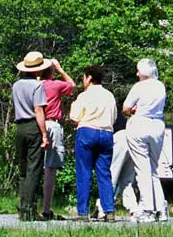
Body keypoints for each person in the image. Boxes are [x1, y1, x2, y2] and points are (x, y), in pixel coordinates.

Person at [69, 65, 116, 221]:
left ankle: (83, 212)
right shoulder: (109, 95)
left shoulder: (84, 96)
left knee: (84, 172)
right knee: (104, 173)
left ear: (89, 78)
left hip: (87, 131)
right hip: (107, 133)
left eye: (84, 77)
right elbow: (114, 117)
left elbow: (74, 118)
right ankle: (109, 210)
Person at [123, 58, 167, 223]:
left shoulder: (139, 86)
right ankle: (161, 208)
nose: (136, 74)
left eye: (138, 71)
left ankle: (147, 208)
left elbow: (126, 108)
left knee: (142, 169)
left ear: (143, 72)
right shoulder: (160, 86)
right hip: (158, 125)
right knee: (153, 168)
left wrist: (133, 109)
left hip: (140, 123)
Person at [12, 51, 51, 221]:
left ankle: (22, 207)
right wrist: (44, 134)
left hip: (19, 127)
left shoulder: (16, 85)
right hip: (33, 126)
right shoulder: (37, 86)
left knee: (23, 169)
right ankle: (30, 209)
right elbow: (38, 110)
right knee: (34, 169)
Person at [40, 57, 75, 220]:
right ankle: (46, 208)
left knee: (34, 168)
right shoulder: (56, 85)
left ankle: (32, 205)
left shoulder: (36, 86)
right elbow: (72, 85)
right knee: (50, 169)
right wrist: (61, 69)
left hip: (37, 125)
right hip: (52, 124)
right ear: (52, 71)